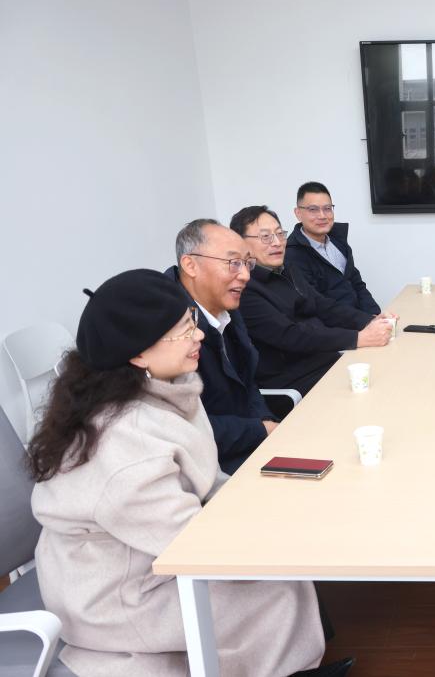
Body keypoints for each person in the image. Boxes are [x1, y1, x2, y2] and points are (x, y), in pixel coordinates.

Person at [27, 269, 352, 677]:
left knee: (281, 571)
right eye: (182, 331)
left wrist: (267, 510)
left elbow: (206, 480)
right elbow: (190, 545)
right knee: (274, 592)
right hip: (115, 596)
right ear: (138, 355)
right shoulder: (123, 446)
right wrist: (278, 534)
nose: (198, 335)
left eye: (191, 321)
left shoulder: (166, 389)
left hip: (148, 557)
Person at [232, 205, 393, 397]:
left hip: (325, 361)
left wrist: (369, 320)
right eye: (265, 237)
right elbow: (291, 336)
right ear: (240, 244)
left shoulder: (287, 269)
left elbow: (323, 306)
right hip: (295, 380)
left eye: (280, 234)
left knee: (388, 372)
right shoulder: (244, 289)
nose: (277, 243)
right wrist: (358, 338)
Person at [166, 219, 277, 474]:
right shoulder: (167, 327)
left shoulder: (224, 305)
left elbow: (248, 383)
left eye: (247, 263)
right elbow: (186, 428)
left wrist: (267, 423)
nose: (246, 275)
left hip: (248, 442)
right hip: (206, 467)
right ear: (190, 265)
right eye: (233, 262)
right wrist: (260, 430)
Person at [286, 181, 382, 315]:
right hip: (335, 325)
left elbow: (357, 283)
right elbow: (317, 306)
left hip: (361, 319)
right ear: (298, 213)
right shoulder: (292, 254)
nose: (322, 216)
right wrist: (364, 321)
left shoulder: (338, 241)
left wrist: (375, 314)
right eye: (313, 209)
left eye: (327, 208)